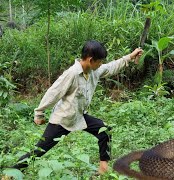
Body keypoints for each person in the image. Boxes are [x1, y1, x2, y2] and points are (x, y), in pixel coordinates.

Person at [11, 40, 143, 175]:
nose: (101, 64)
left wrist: (130, 56)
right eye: (100, 61)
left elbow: (111, 67)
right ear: (91, 60)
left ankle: (103, 169)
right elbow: (54, 92)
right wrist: (39, 113)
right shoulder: (72, 74)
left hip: (79, 116)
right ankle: (11, 173)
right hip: (63, 120)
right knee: (39, 150)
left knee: (105, 131)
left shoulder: (93, 71)